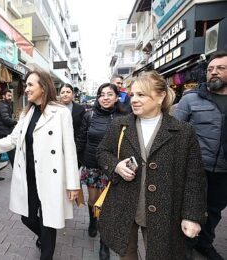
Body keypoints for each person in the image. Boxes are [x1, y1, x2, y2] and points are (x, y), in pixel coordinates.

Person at [97, 71, 207, 259]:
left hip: (165, 211)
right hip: (125, 204)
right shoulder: (120, 125)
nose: (134, 100)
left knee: (160, 255)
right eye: (132, 95)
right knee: (127, 253)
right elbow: (102, 152)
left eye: (141, 95)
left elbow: (194, 177)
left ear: (161, 96)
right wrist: (115, 165)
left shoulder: (183, 131)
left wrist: (192, 215)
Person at [0, 69, 80, 260]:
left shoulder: (61, 112)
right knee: (26, 217)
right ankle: (44, 238)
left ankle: (46, 252)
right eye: (26, 85)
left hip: (50, 178)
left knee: (48, 221)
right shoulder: (26, 113)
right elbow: (12, 139)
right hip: (28, 177)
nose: (26, 89)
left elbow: (69, 150)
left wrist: (73, 184)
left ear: (43, 87)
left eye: (30, 85)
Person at [173, 51, 227, 260]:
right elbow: (174, 133)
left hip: (223, 171)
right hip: (196, 169)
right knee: (190, 209)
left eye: (220, 68)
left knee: (214, 211)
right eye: (211, 69)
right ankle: (185, 245)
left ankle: (205, 244)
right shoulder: (191, 99)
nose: (213, 73)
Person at [75, 83, 125, 260]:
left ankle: (104, 243)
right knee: (94, 200)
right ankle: (92, 221)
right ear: (97, 98)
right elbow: (81, 139)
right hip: (91, 165)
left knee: (106, 204)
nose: (105, 97)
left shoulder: (124, 116)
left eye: (109, 94)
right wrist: (77, 163)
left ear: (117, 97)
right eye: (101, 94)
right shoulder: (89, 116)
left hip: (113, 167)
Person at [0, 89, 17, 181]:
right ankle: (17, 175)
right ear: (3, 96)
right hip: (2, 132)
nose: (10, 97)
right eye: (8, 95)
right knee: (12, 151)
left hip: (0, 131)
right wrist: (16, 122)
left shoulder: (5, 105)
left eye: (11, 96)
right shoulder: (3, 105)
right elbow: (6, 119)